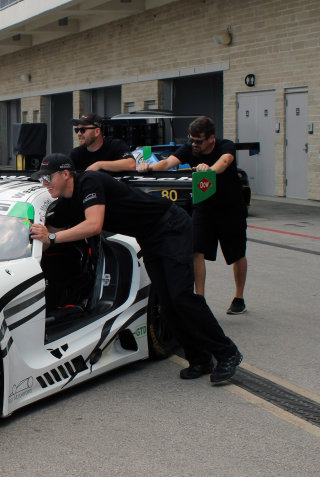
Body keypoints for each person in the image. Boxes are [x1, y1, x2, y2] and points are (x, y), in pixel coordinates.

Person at [29, 153, 243, 384]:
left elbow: (93, 225)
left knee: (181, 296)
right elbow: (42, 230)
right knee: (167, 303)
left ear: (66, 174)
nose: (45, 183)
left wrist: (52, 236)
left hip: (171, 226)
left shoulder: (89, 181)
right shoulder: (66, 204)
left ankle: (227, 352)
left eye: (48, 177)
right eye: (42, 179)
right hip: (149, 237)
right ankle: (199, 359)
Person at [137, 116, 247, 315]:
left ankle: (239, 297)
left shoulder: (225, 146)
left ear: (211, 139)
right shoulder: (190, 148)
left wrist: (209, 169)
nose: (194, 144)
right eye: (192, 140)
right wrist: (149, 167)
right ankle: (200, 299)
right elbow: (168, 163)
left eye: (199, 141)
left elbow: (224, 162)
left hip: (230, 208)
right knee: (197, 251)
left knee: (236, 253)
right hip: (204, 206)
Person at [69, 113, 136, 172]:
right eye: (77, 130)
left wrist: (99, 165)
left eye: (82, 130)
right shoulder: (76, 154)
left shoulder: (115, 145)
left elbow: (131, 164)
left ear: (97, 132)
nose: (78, 134)